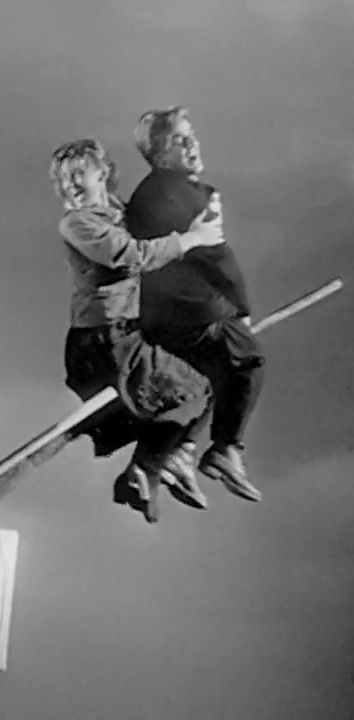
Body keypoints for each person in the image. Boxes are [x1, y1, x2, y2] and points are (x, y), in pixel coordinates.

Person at [49, 139, 222, 521]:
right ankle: (150, 466)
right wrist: (191, 240)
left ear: (103, 172)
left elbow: (158, 239)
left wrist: (195, 223)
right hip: (102, 343)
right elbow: (132, 256)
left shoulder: (118, 214)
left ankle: (159, 464)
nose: (70, 185)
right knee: (195, 391)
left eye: (78, 174)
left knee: (202, 384)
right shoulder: (78, 223)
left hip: (128, 333)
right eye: (62, 181)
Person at [125, 106, 264, 503]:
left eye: (191, 135)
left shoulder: (164, 192)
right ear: (159, 154)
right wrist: (242, 307)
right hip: (192, 310)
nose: (191, 144)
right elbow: (216, 255)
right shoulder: (176, 192)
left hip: (163, 315)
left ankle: (179, 454)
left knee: (210, 380)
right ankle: (224, 450)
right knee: (247, 360)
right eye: (178, 140)